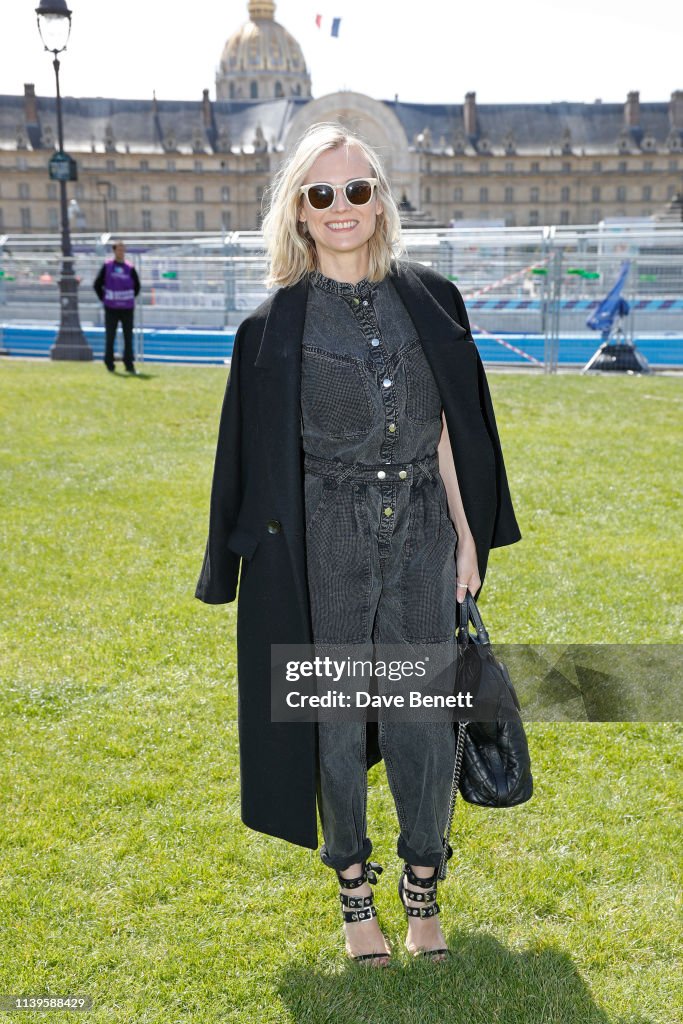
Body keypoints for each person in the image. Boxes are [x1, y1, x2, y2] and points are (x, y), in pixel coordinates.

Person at [194, 122, 522, 966]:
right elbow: (247, 457)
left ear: (380, 201)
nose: (342, 208)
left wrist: (466, 541)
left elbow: (454, 430)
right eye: (321, 194)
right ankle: (352, 895)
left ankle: (422, 886)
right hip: (322, 541)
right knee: (333, 723)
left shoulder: (433, 298)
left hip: (419, 530)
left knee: (420, 716)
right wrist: (238, 566)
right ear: (299, 214)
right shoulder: (269, 328)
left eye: (357, 190)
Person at [93, 240, 141, 373]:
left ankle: (129, 365)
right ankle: (109, 363)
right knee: (110, 336)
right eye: (119, 249)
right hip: (111, 308)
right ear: (114, 251)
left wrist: (127, 298)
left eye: (123, 249)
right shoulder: (107, 266)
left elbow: (137, 286)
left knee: (128, 337)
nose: (121, 252)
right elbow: (97, 284)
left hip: (127, 308)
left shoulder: (129, 267)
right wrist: (105, 298)